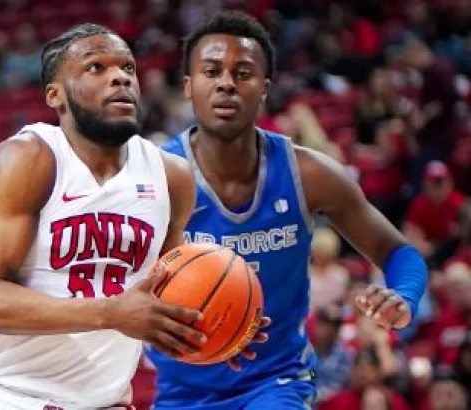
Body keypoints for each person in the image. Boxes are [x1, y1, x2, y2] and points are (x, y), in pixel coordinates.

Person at [148, 11, 428, 410]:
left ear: (263, 89)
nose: (227, 82)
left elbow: (397, 250)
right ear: (190, 87)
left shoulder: (308, 173)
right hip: (181, 390)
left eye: (242, 73)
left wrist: (404, 295)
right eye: (212, 71)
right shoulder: (152, 177)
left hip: (275, 382)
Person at [0, 24, 217, 410]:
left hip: (108, 402)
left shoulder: (171, 176)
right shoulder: (27, 160)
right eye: (96, 67)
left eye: (127, 67)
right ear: (54, 95)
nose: (120, 76)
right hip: (11, 397)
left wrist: (222, 327)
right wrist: (109, 313)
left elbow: (169, 295)